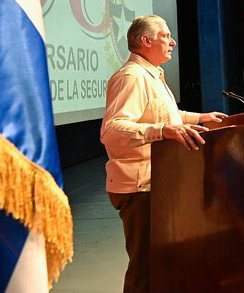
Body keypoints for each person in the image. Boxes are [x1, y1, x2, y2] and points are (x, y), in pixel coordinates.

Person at [101, 15, 227, 293]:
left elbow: (169, 116)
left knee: (161, 265)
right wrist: (161, 131)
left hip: (157, 184)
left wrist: (201, 118)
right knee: (144, 270)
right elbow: (112, 129)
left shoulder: (153, 75)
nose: (173, 42)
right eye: (165, 36)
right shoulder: (131, 77)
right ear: (146, 41)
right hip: (140, 186)